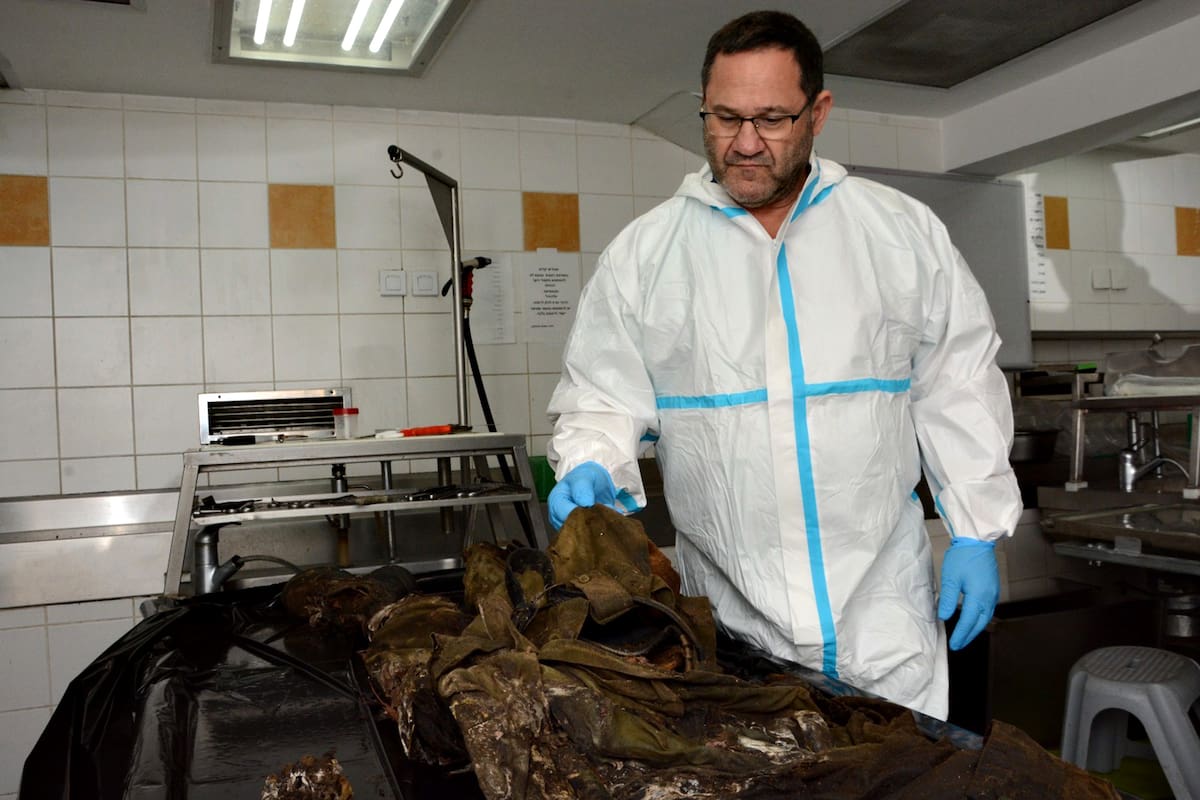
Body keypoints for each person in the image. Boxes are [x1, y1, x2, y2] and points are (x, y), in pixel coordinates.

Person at [544, 9, 1021, 720]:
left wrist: (977, 528)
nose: (743, 144)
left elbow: (957, 383)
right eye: (724, 118)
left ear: (818, 112)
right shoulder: (645, 257)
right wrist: (588, 457)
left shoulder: (898, 234)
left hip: (883, 625)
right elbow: (601, 398)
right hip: (730, 636)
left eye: (771, 120)